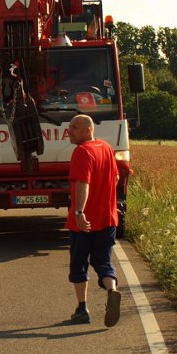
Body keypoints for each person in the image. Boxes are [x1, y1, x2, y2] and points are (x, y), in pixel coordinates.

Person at [66, 114, 121, 327]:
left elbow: (83, 183)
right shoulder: (106, 147)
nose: (69, 131)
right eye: (70, 127)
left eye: (75, 127)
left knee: (79, 264)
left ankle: (82, 309)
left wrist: (79, 212)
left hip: (84, 222)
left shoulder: (82, 151)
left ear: (87, 130)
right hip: (108, 218)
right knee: (103, 262)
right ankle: (112, 290)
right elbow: (115, 177)